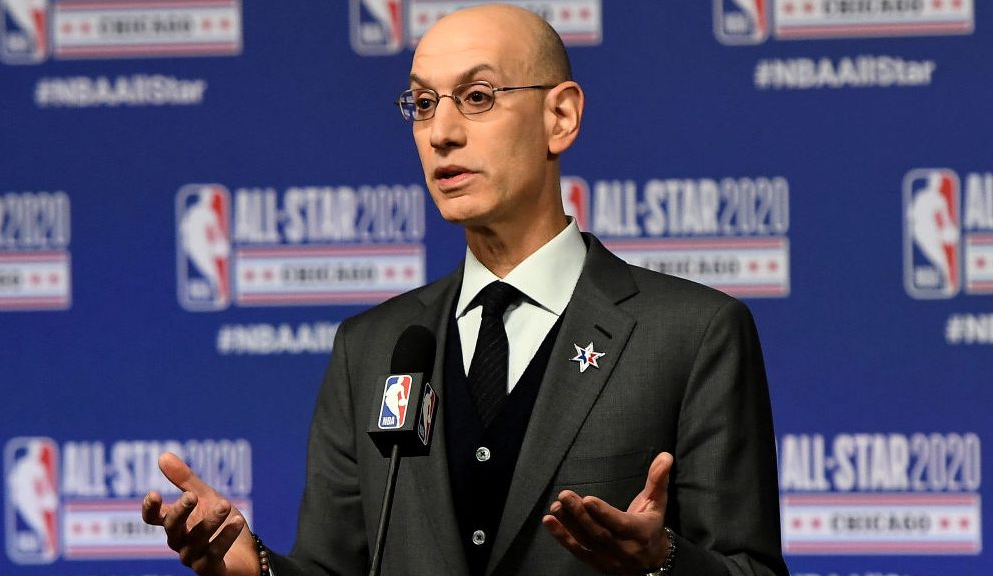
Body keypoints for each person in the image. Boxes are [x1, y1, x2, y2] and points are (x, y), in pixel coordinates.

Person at [142, 4, 788, 575]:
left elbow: (748, 570)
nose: (441, 132)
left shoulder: (692, 334)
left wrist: (662, 564)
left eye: (477, 97)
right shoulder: (373, 348)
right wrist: (255, 569)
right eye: (423, 104)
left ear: (559, 116)